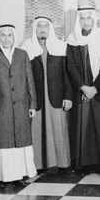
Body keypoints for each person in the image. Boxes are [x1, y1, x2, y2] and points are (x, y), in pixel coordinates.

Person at [0, 24, 38, 186]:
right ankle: (3, 177)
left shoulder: (22, 55)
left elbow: (29, 81)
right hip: (0, 108)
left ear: (14, 37)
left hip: (21, 107)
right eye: (3, 35)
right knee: (3, 142)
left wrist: (32, 105)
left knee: (21, 141)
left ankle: (20, 174)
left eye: (9, 35)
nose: (6, 39)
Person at [66, 5, 100, 173]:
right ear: (78, 20)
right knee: (84, 127)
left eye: (88, 18)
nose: (86, 22)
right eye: (82, 18)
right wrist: (83, 87)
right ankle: (85, 164)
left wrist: (94, 87)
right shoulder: (73, 39)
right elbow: (70, 65)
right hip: (82, 90)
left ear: (94, 19)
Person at [21, 16, 71, 173]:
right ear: (34, 29)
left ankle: (62, 165)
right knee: (37, 132)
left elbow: (67, 75)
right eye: (39, 26)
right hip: (36, 99)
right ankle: (38, 166)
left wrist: (68, 96)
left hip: (56, 98)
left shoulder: (61, 47)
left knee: (59, 131)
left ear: (50, 29)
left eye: (45, 26)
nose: (42, 29)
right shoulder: (26, 48)